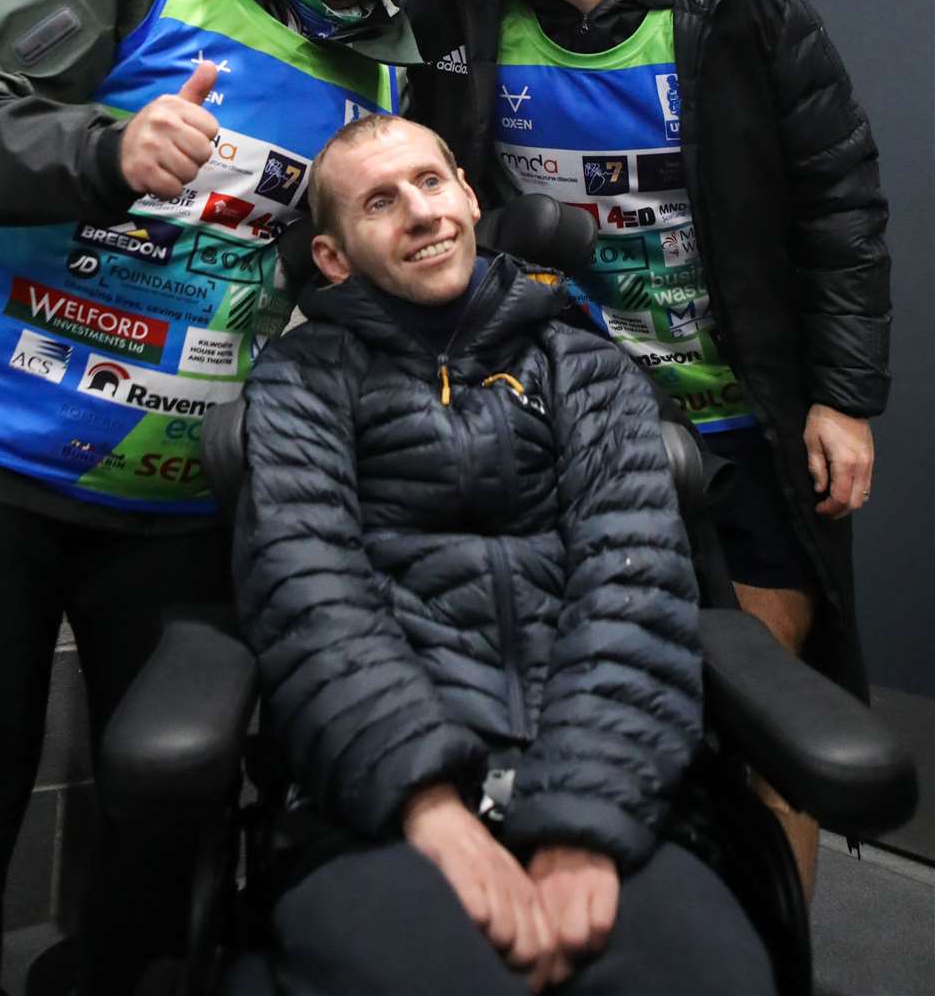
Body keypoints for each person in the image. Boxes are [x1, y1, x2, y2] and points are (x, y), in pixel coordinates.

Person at [0, 0, 455, 996]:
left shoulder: (386, 81)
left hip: (176, 495)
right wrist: (103, 143)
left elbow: (328, 279)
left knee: (165, 808)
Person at [397, 0, 890, 901]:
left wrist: (846, 394)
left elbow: (840, 198)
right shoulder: (453, 7)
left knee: (767, 720)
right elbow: (325, 16)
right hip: (568, 431)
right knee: (591, 725)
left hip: (750, 427)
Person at [232, 112, 775, 996]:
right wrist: (431, 808)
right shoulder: (300, 381)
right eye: (378, 201)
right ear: (331, 256)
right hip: (383, 794)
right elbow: (308, 595)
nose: (419, 212)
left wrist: (582, 822)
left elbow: (630, 585)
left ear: (469, 197)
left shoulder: (588, 366)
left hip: (603, 772)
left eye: (431, 182)